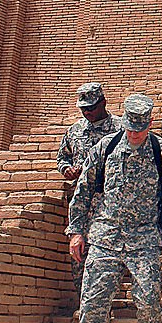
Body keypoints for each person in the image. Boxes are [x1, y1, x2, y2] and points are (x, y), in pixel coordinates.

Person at [66, 93, 162, 323]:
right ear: (124, 125)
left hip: (145, 238)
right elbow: (83, 191)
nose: (135, 135)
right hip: (104, 236)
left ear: (149, 125)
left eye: (140, 129)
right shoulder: (104, 148)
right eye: (130, 129)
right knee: (93, 302)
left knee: (149, 300)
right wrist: (76, 231)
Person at [57, 82, 123, 301]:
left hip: (111, 202)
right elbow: (62, 157)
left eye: (91, 107)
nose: (87, 112)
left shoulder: (120, 129)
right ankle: (83, 302)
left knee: (109, 254)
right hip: (82, 203)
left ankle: (106, 303)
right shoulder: (75, 131)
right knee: (79, 253)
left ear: (103, 103)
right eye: (83, 109)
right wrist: (67, 169)